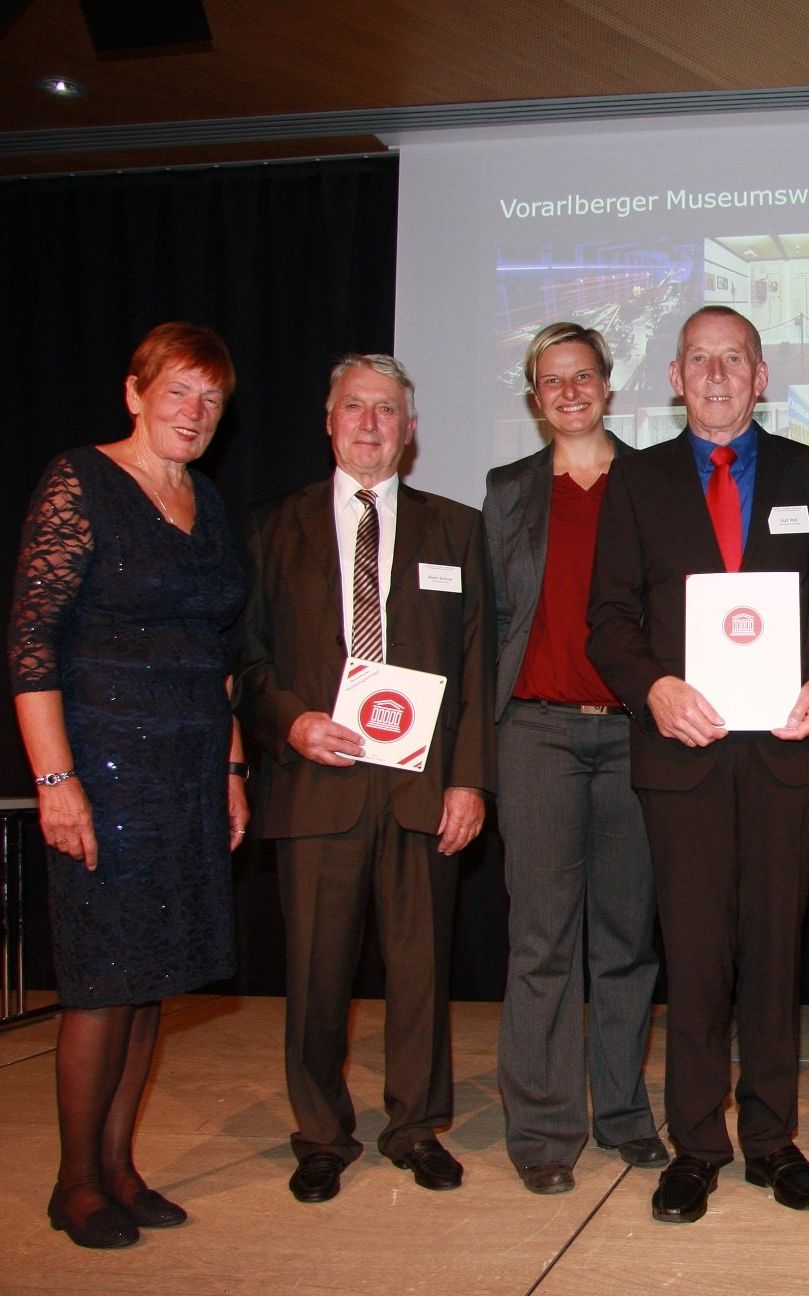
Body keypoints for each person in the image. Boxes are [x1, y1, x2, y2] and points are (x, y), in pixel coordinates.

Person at [586, 305, 809, 1224]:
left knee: (774, 954)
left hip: (782, 754)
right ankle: (697, 1145)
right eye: (699, 359)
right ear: (674, 376)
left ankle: (773, 1143)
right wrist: (655, 689)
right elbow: (608, 622)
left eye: (733, 359)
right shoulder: (638, 480)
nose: (716, 375)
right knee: (694, 957)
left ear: (761, 374)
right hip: (684, 754)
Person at [8, 323, 247, 1249]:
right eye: (179, 392)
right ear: (136, 392)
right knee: (103, 981)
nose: (194, 413)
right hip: (104, 763)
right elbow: (31, 642)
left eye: (212, 400)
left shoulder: (208, 502)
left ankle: (119, 1166)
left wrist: (231, 767)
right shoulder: (81, 480)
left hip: (189, 769)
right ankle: (75, 1183)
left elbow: (217, 652)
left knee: (155, 979)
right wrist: (55, 780)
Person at [235, 354, 494, 1205]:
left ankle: (415, 1128)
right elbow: (247, 657)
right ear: (329, 419)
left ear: (411, 429)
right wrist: (290, 722)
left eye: (388, 410)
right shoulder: (274, 527)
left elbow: (475, 667)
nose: (372, 424)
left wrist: (469, 782)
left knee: (420, 971)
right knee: (314, 972)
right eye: (356, 408)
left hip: (422, 787)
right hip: (317, 782)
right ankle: (320, 1132)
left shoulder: (456, 529)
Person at [484, 322, 665, 1196]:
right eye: (551, 379)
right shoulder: (506, 491)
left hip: (634, 730)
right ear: (534, 395)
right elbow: (490, 619)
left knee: (628, 939)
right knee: (542, 940)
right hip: (538, 733)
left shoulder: (652, 481)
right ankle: (545, 1132)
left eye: (582, 375)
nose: (568, 391)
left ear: (607, 385)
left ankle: (624, 1115)